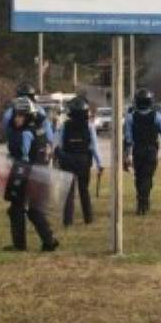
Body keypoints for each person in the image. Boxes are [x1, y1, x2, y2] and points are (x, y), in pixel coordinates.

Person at [4, 97, 60, 252]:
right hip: (41, 174)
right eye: (16, 115)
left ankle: (19, 245)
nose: (16, 119)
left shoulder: (25, 134)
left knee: (16, 209)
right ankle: (49, 241)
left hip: (27, 176)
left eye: (20, 115)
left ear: (28, 116)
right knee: (35, 211)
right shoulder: (40, 128)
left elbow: (23, 158)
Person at [55, 96, 103, 226]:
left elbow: (58, 144)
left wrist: (58, 158)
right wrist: (100, 163)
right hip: (83, 161)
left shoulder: (65, 125)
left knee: (68, 193)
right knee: (84, 190)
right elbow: (93, 146)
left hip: (67, 161)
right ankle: (88, 218)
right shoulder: (89, 126)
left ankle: (68, 221)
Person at [124, 88, 161, 216]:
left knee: (139, 177)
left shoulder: (130, 117)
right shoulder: (157, 116)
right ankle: (143, 203)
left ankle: (142, 202)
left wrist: (127, 154)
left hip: (137, 151)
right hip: (151, 150)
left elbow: (128, 138)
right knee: (147, 177)